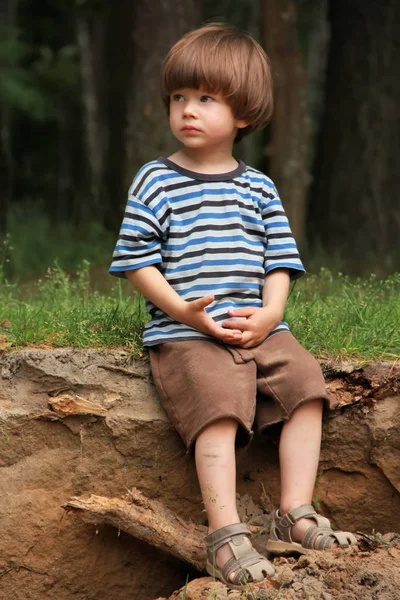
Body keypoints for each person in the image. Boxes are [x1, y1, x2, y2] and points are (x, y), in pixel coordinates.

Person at [109, 23, 356, 590]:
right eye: (178, 97)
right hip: (188, 330)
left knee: (307, 383)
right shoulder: (155, 180)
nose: (187, 110)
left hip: (260, 325)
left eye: (205, 99)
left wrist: (271, 315)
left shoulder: (259, 188)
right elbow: (137, 262)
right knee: (218, 403)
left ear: (242, 114)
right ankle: (225, 532)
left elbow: (279, 261)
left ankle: (295, 512)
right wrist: (184, 311)